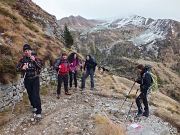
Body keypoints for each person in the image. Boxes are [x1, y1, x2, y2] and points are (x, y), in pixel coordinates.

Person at [16, 44, 42, 121]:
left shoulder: (35, 58)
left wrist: (34, 61)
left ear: (30, 50)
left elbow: (40, 66)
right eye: (25, 51)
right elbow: (17, 69)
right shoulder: (22, 59)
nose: (27, 52)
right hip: (27, 79)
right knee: (30, 94)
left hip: (35, 79)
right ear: (24, 52)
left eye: (28, 50)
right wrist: (22, 68)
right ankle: (34, 106)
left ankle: (38, 111)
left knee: (35, 95)